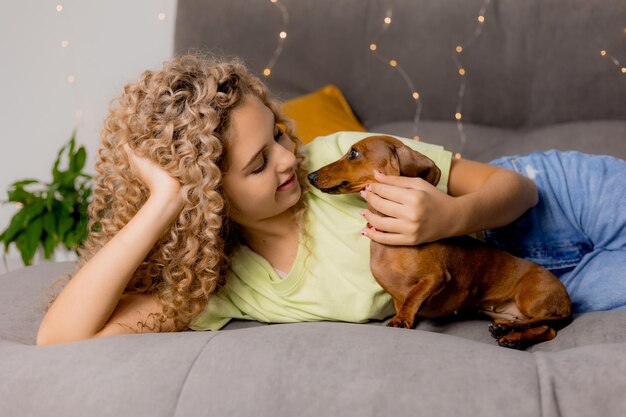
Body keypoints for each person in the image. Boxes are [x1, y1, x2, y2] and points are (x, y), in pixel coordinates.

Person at [36, 53, 626, 345]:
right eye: (260, 162)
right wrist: (165, 198)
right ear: (208, 199)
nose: (290, 157)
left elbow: (517, 190)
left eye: (276, 133)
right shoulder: (227, 285)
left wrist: (452, 213)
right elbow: (59, 339)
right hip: (528, 292)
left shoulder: (340, 159)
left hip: (559, 205)